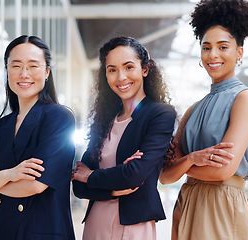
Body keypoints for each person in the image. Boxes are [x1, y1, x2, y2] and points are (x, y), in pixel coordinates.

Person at [159, 0, 248, 239]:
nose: (213, 54)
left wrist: (183, 164)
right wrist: (194, 159)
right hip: (187, 203)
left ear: (239, 52)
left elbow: (222, 171)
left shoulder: (246, 99)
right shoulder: (193, 110)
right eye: (206, 47)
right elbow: (165, 175)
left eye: (222, 47)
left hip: (222, 205)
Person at [0, 35, 75, 240]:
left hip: (44, 233)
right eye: (16, 66)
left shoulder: (59, 117)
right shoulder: (1, 127)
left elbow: (36, 185)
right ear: (7, 70)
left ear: (47, 72)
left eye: (33, 66)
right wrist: (10, 174)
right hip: (3, 232)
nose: (24, 74)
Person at [71, 36, 176, 239]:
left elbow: (134, 175)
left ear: (144, 69)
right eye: (112, 70)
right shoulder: (105, 120)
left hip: (133, 225)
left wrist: (91, 176)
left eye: (128, 67)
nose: (121, 77)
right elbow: (78, 184)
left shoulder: (160, 114)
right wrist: (112, 190)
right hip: (95, 222)